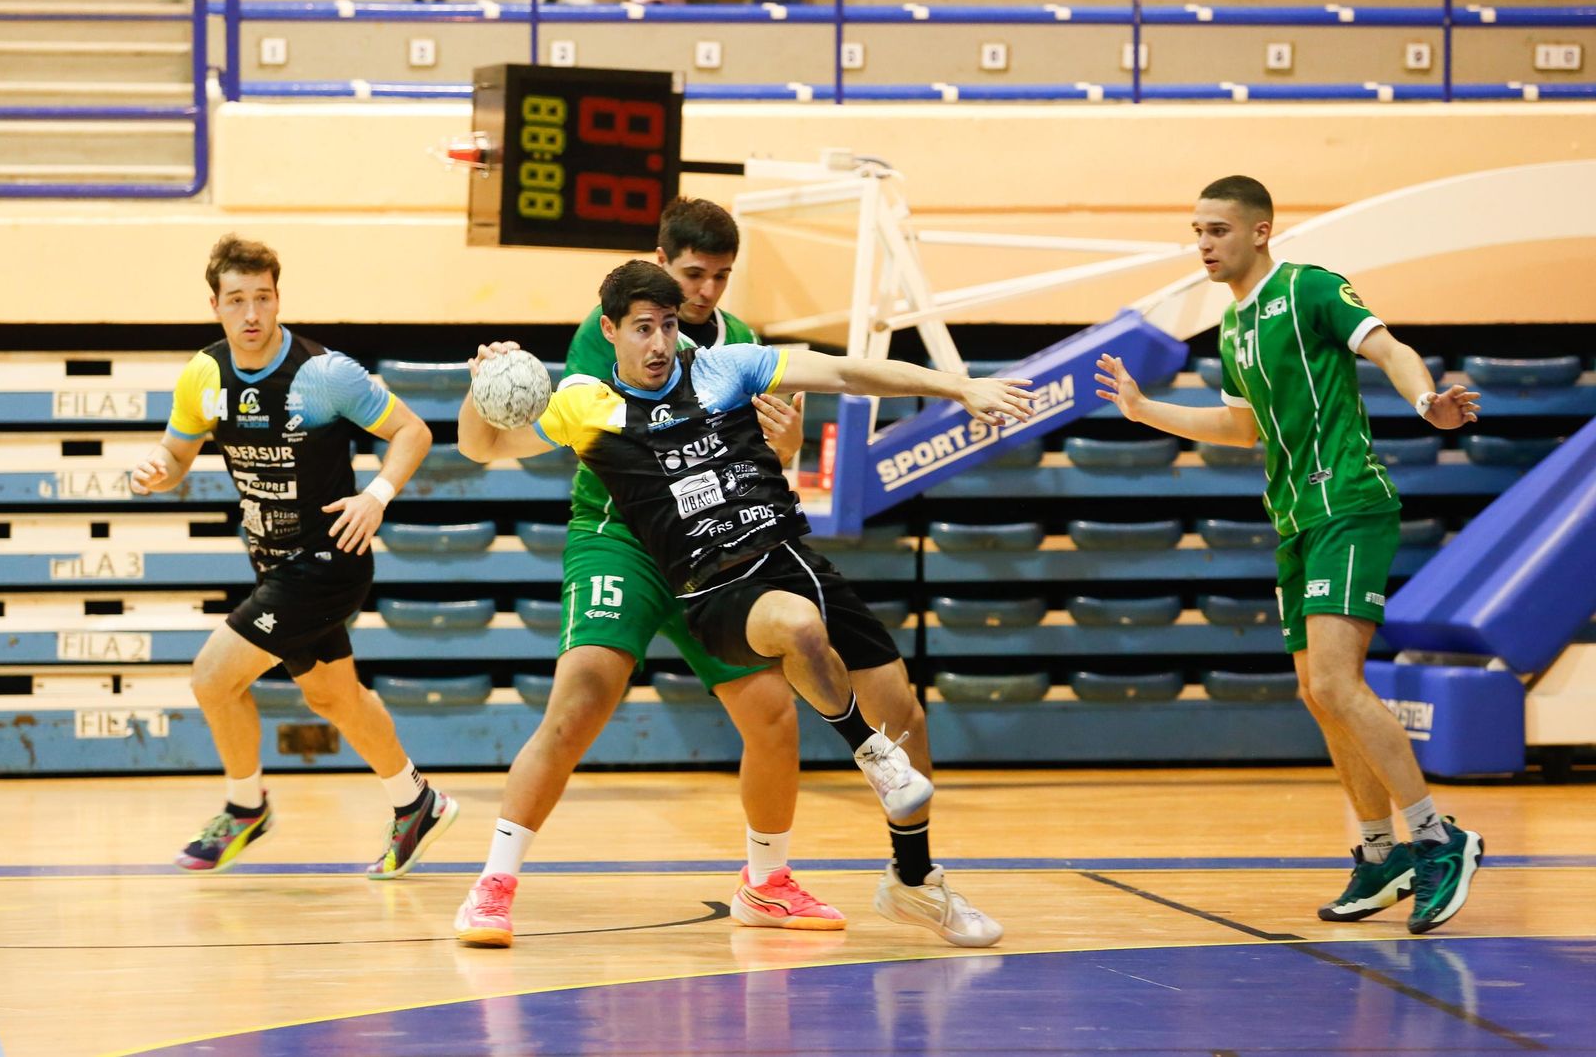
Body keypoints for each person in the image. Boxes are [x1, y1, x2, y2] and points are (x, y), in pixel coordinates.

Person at [458, 259, 1034, 947]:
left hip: (784, 553)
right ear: (609, 330)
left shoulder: (726, 365)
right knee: (590, 697)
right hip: (686, 570)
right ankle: (493, 886)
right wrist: (481, 390)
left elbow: (846, 373)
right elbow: (482, 446)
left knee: (897, 708)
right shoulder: (587, 401)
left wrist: (957, 385)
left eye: (668, 326)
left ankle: (904, 880)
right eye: (643, 328)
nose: (659, 343)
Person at [1095, 175, 1485, 934]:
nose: (1203, 244)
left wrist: (1424, 402)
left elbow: (1389, 346)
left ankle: (1440, 841)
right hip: (1295, 521)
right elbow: (1243, 428)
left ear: (1261, 231)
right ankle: (1381, 856)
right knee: (1317, 693)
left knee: (1339, 684)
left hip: (1348, 505)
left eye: (1217, 230)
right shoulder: (1234, 329)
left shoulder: (1309, 287)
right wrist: (1145, 411)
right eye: (1197, 231)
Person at [130, 235, 458, 877]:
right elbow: (176, 456)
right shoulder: (204, 375)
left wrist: (378, 494)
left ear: (278, 298)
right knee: (334, 698)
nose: (252, 313)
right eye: (237, 301)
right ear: (216, 305)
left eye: (263, 298)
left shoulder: (323, 373)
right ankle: (415, 802)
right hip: (272, 563)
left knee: (211, 679)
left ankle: (246, 807)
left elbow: (412, 431)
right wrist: (156, 470)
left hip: (328, 560)